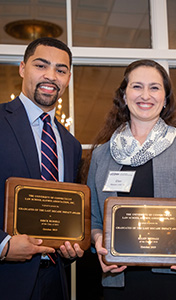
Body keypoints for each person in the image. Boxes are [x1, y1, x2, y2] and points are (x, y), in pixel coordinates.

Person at [84, 59, 176, 299]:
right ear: (124, 96)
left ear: (165, 99)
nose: (146, 95)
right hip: (120, 280)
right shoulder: (102, 154)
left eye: (154, 87)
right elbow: (93, 219)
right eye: (137, 87)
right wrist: (99, 240)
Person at [0, 37, 83, 300]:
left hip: (55, 281)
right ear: (22, 68)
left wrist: (71, 245)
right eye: (41, 66)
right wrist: (2, 245)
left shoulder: (71, 145)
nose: (51, 76)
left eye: (61, 70)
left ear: (68, 78)